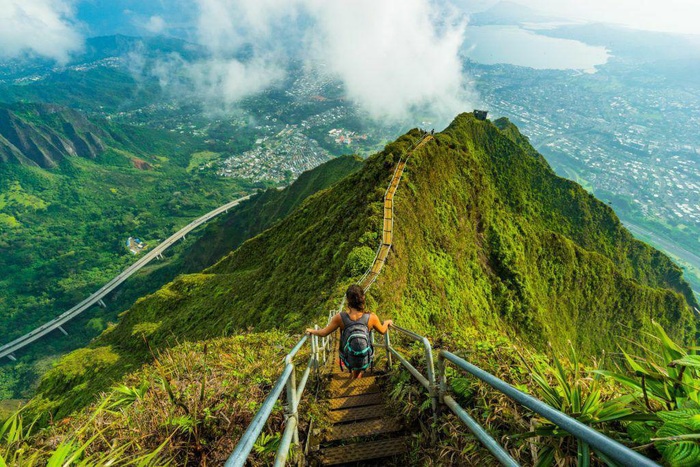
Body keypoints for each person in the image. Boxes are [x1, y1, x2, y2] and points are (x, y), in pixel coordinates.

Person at [307, 285, 393, 379]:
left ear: (348, 300)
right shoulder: (371, 317)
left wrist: (312, 330)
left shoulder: (340, 317)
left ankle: (354, 374)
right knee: (360, 364)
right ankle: (357, 375)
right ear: (363, 298)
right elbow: (383, 330)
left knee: (353, 361)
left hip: (348, 356)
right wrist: (387, 322)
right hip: (366, 356)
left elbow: (323, 333)